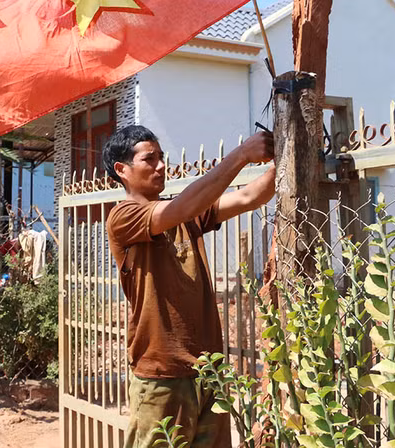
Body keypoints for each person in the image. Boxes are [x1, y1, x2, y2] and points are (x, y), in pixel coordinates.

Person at [103, 125, 275, 448]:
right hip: (162, 378)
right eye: (149, 159)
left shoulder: (187, 213)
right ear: (122, 170)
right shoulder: (123, 216)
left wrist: (285, 156)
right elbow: (180, 208)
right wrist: (241, 155)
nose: (161, 166)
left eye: (162, 157)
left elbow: (252, 196)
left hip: (209, 373)